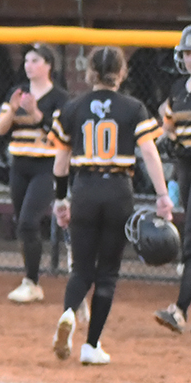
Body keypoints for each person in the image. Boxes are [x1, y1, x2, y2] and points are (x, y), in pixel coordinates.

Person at [49, 45, 173, 365]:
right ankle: (92, 346)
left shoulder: (73, 108)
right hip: (118, 190)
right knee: (107, 273)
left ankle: (67, 315)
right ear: (121, 73)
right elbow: (149, 153)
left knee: (81, 269)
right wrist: (162, 195)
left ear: (90, 72)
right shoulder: (133, 108)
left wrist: (61, 199)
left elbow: (60, 161)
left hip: (85, 189)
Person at [0, 43, 69, 303]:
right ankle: (31, 279)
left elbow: (59, 136)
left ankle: (32, 281)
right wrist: (14, 109)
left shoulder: (60, 97)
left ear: (48, 65)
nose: (29, 65)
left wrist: (36, 113)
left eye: (35, 60)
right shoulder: (17, 92)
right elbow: (1, 129)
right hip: (19, 164)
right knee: (22, 223)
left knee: (29, 221)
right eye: (26, 60)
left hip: (45, 166)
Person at [152, 24, 191, 334]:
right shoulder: (178, 89)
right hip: (186, 168)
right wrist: (165, 135)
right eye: (188, 52)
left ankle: (179, 310)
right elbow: (168, 126)